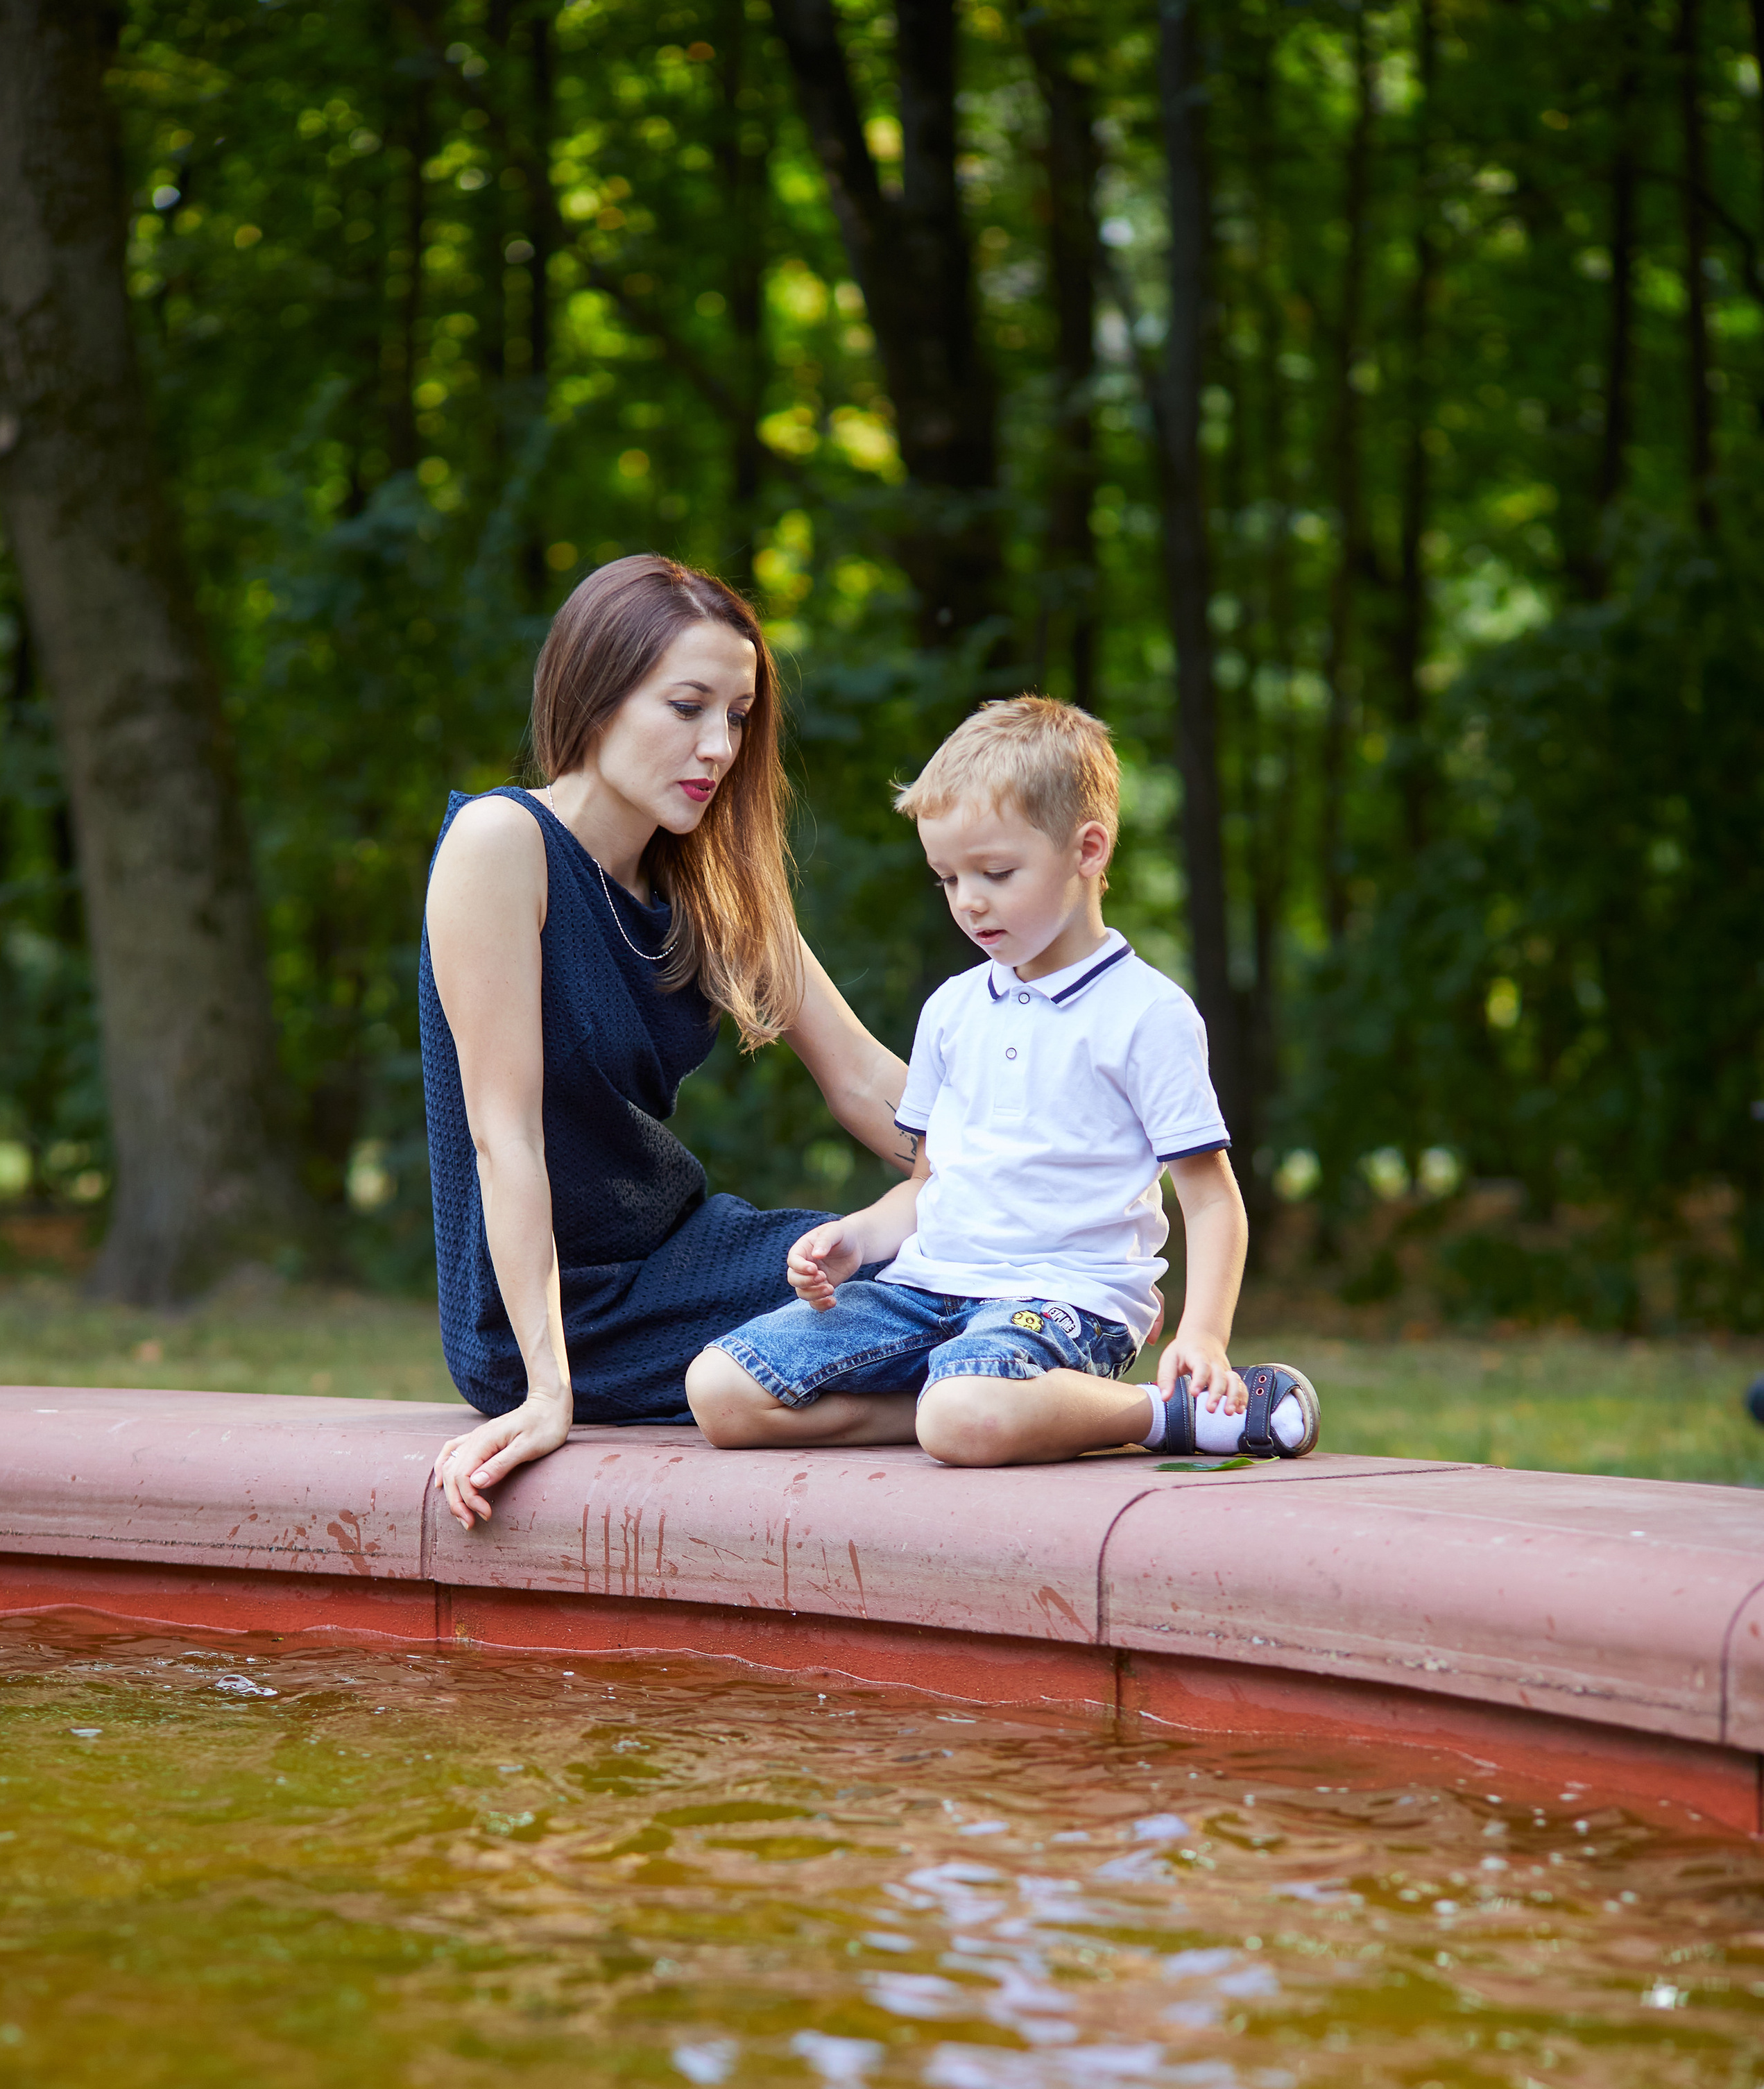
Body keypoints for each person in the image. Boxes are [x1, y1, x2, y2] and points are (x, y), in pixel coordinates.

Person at [685, 694, 1319, 1467]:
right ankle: (954, 1410)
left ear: (1088, 850)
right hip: (924, 1290)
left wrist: (1203, 1334)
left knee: (964, 1414)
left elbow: (1211, 1196)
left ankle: (1167, 1413)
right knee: (720, 1392)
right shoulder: (953, 1009)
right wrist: (856, 1237)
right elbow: (926, 1186)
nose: (969, 902)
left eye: (995, 872)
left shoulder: (1146, 1014)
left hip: (1061, 1302)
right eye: (946, 879)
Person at [422, 553, 916, 1529]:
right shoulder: (500, 844)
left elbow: (864, 1078)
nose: (719, 747)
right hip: (560, 1311)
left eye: (736, 716)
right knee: (946, 1287)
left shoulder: (709, 875)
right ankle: (1006, 1406)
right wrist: (545, 1392)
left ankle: (1042, 1396)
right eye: (687, 707)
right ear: (597, 696)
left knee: (950, 1254)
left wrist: (1025, 1171)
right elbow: (504, 1137)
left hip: (686, 1254)